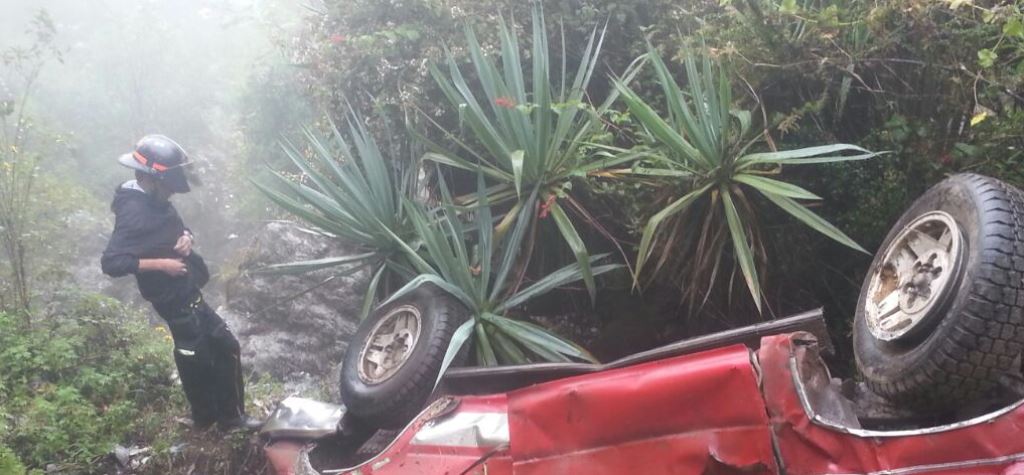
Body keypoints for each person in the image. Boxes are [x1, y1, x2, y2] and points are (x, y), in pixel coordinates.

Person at [100, 135, 259, 431]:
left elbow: (174, 223)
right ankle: (219, 419)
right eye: (169, 185)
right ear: (152, 179)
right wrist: (161, 265)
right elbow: (111, 262)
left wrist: (187, 238)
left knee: (223, 347)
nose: (173, 192)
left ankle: (225, 418)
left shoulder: (154, 200)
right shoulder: (133, 211)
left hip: (188, 292)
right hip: (173, 301)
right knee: (198, 356)